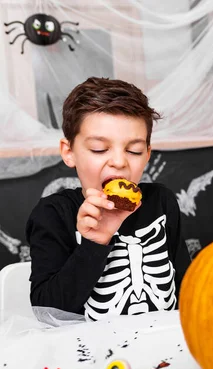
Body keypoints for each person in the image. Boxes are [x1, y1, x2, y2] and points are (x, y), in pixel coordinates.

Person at [25, 77, 190, 322]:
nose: (119, 162)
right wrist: (94, 242)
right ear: (69, 153)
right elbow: (47, 313)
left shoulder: (161, 201)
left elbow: (187, 283)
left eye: (133, 150)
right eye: (99, 149)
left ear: (146, 155)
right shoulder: (52, 214)